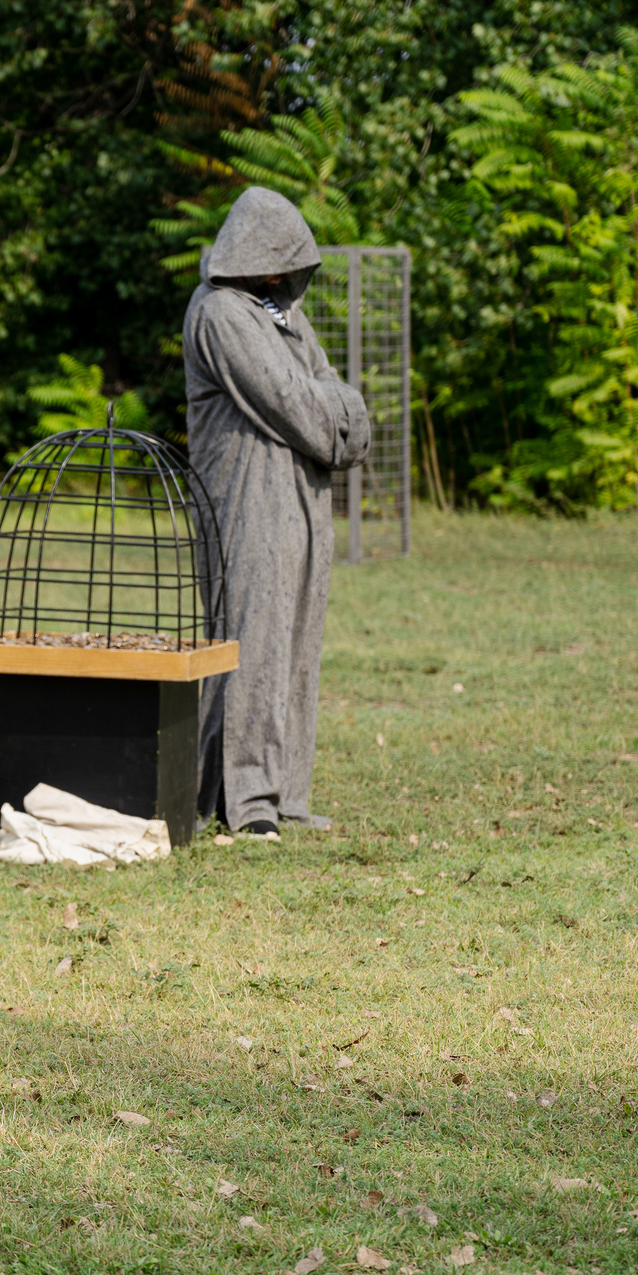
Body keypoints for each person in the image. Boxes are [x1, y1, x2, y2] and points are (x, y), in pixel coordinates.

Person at [184, 186, 370, 837]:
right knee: (252, 638)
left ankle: (284, 791)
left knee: (294, 641)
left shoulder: (281, 312)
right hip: (246, 499)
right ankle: (246, 800)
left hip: (302, 500)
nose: (286, 272)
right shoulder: (221, 314)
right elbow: (297, 402)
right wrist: (337, 414)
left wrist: (339, 412)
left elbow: (336, 397)